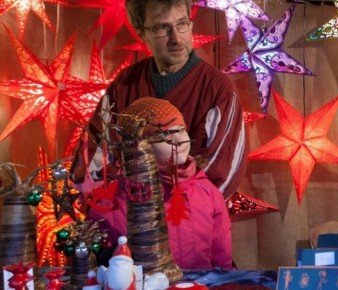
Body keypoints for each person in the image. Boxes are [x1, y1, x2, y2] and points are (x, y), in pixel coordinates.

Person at [72, 0, 245, 197]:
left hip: (189, 220)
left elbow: (222, 170)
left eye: (182, 24)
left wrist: (169, 210)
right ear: (141, 32)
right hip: (127, 216)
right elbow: (93, 154)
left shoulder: (218, 89)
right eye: (162, 27)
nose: (176, 39)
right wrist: (118, 200)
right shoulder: (124, 84)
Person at [87, 97, 233, 270]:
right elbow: (102, 267)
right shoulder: (111, 203)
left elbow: (222, 259)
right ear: (140, 144)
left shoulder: (207, 192)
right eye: (165, 134)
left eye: (181, 130)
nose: (179, 140)